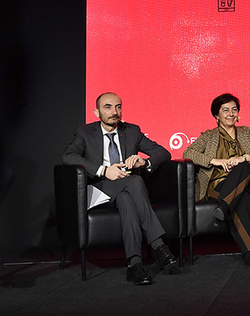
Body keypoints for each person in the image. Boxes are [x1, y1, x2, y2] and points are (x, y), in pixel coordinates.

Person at [62, 92, 178, 285]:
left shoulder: (132, 131)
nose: (114, 112)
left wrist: (144, 162)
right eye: (108, 107)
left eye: (118, 107)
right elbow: (68, 157)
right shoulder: (85, 132)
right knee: (134, 182)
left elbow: (163, 152)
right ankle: (159, 245)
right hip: (99, 190)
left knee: (127, 197)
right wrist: (104, 170)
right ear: (96, 111)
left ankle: (135, 266)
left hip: (127, 191)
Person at [183, 93, 250, 268]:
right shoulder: (209, 136)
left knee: (242, 168)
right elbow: (188, 153)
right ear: (217, 115)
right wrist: (214, 161)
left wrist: (243, 157)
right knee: (241, 198)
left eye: (234, 110)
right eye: (225, 110)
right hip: (219, 184)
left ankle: (223, 207)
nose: (231, 113)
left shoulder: (245, 132)